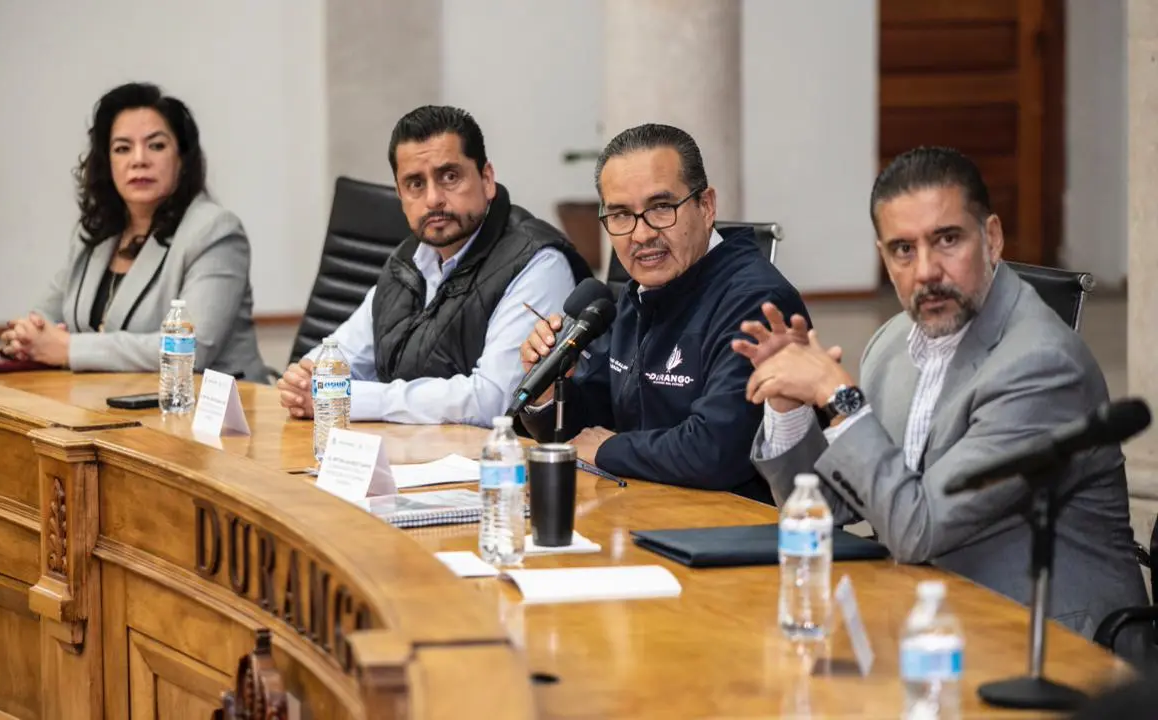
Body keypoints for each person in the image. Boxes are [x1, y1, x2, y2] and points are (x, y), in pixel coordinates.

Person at [737, 146, 1146, 643]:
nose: (926, 270)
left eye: (947, 240)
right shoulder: (893, 343)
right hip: (933, 617)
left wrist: (838, 396)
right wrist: (788, 403)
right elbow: (834, 505)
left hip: (1050, 645)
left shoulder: (1041, 364)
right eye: (903, 249)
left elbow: (918, 528)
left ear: (991, 238)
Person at [517, 124, 809, 500]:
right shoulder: (639, 291)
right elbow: (592, 422)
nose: (640, 235)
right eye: (621, 214)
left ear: (706, 207)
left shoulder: (756, 302)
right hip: (642, 510)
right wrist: (548, 390)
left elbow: (716, 449)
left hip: (726, 531)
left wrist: (609, 450)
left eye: (660, 208)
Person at [277, 105, 590, 426]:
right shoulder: (408, 259)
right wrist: (306, 380)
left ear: (486, 179)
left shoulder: (537, 261)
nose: (433, 199)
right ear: (400, 194)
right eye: (415, 184)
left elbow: (494, 400)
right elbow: (340, 355)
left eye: (449, 177)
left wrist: (346, 399)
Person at [2, 82, 270, 381]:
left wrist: (69, 349)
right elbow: (43, 318)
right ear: (108, 163)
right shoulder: (96, 234)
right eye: (122, 148)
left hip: (216, 413)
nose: (139, 159)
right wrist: (28, 337)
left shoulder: (214, 232)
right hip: (114, 405)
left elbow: (191, 348)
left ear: (181, 159)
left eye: (156, 145)